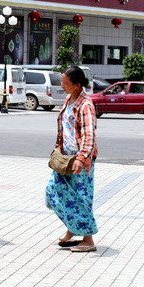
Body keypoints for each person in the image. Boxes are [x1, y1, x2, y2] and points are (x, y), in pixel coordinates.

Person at [45, 65, 98, 252]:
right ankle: (73, 229)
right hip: (65, 159)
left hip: (79, 161)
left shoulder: (85, 105)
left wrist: (81, 159)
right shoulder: (69, 100)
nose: (62, 86)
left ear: (77, 85)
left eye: (66, 83)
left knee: (81, 200)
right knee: (52, 194)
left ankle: (88, 240)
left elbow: (89, 136)